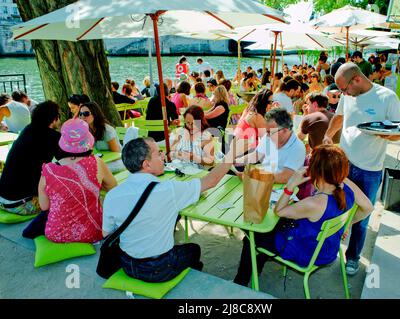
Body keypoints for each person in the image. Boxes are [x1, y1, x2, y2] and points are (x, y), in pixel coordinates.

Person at [102, 135, 244, 283]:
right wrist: (232, 153)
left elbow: (107, 233)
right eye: (158, 153)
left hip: (127, 265)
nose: (163, 155)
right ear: (146, 164)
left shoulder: (112, 195)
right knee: (194, 249)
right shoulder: (168, 190)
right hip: (159, 270)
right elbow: (211, 180)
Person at [233, 145, 374, 287]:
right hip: (328, 246)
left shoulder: (315, 203)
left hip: (309, 252)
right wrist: (346, 224)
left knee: (252, 236)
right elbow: (368, 207)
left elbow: (279, 211)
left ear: (316, 171)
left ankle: (240, 282)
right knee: (271, 229)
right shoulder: (346, 184)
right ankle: (256, 269)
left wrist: (290, 185)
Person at [323, 62, 400, 276]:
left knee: (362, 217)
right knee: (335, 209)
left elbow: (398, 133)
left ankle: (353, 258)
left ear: (357, 79)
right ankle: (328, 251)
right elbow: (339, 118)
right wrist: (328, 135)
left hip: (369, 169)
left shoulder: (387, 97)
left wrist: (380, 132)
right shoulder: (348, 96)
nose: (343, 94)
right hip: (344, 165)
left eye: (344, 89)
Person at [34, 119, 117, 243]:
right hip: (93, 231)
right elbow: (113, 188)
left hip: (56, 233)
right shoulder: (96, 162)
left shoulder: (48, 170)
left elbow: (45, 206)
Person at [0, 101, 62, 216]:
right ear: (54, 119)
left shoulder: (27, 130)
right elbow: (67, 162)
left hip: (2, 198)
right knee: (67, 195)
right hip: (20, 205)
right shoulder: (53, 137)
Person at [235, 108, 306, 184]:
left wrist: (254, 176)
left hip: (281, 189)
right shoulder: (270, 136)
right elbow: (256, 155)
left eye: (270, 132)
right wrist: (235, 161)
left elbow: (284, 177)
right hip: (263, 182)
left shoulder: (298, 148)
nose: (267, 135)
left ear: (285, 130)